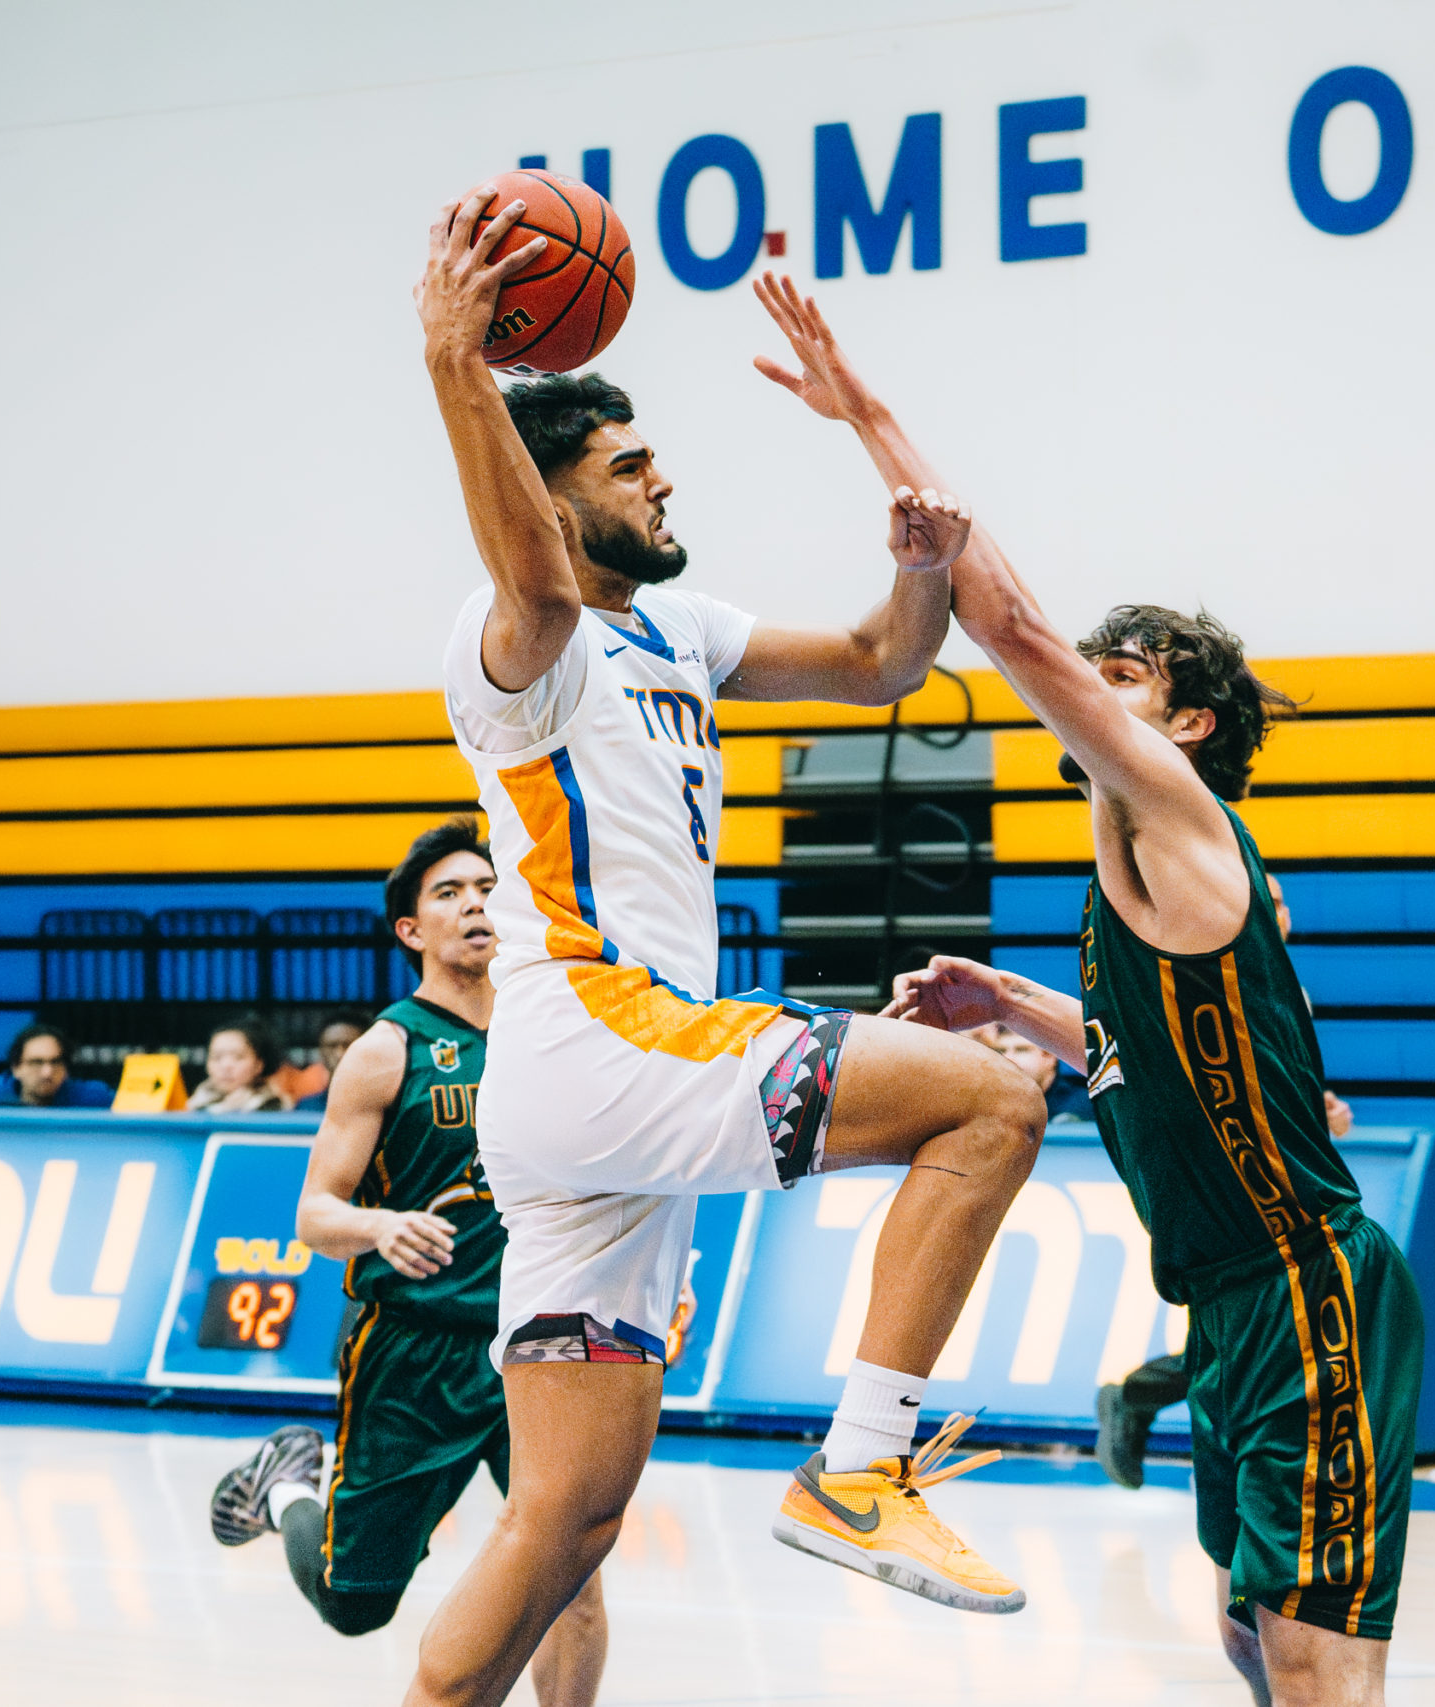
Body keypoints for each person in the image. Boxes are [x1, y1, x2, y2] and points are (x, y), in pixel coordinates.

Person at [407, 201, 1046, 1703]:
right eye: (627, 463)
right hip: (607, 1041)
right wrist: (458, 369)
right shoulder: (516, 642)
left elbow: (887, 665)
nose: (663, 472)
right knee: (988, 1099)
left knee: (565, 1513)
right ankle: (860, 1466)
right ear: (551, 497)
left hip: (588, 1108)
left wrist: (920, 557)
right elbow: (542, 584)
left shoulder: (677, 627)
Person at [883, 564, 1426, 1697]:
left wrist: (879, 435)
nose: (1081, 684)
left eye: (1117, 675)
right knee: (1247, 1632)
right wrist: (1010, 1003)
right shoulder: (1123, 875)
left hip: (1304, 1285)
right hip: (1226, 1310)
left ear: (1188, 726)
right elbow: (1146, 1060)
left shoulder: (1182, 819)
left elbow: (1016, 630)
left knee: (1313, 1649)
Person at [210, 820, 608, 1701]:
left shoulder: (555, 1029)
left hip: (535, 1344)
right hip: (412, 1352)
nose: (475, 903)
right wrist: (382, 1226)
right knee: (357, 1607)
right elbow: (315, 1214)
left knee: (571, 1579)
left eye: (486, 887)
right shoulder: (386, 1050)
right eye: (449, 892)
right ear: (411, 931)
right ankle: (286, 1491)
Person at [1090, 870, 1358, 1489]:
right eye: (1273, 902)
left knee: (1247, 1341)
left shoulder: (1288, 985)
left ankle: (1142, 1402)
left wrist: (1320, 1106)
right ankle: (1136, 1398)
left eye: (1287, 903)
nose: (1281, 913)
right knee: (1235, 1340)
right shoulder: (1196, 965)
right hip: (1217, 1186)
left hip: (1273, 1188)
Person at [0, 1022, 115, 1108]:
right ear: (16, 1068)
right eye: (36, 1063)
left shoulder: (94, 1097)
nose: (47, 1072)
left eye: (55, 1062)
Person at [188, 1017, 295, 1113]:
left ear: (259, 1065)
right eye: (217, 1057)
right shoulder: (195, 1104)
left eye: (238, 1057)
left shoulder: (273, 1107)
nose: (226, 1066)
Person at [297, 1011, 373, 1112]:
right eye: (332, 1046)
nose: (339, 1054)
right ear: (321, 1051)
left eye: (348, 1045)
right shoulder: (306, 1108)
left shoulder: (381, 1106)